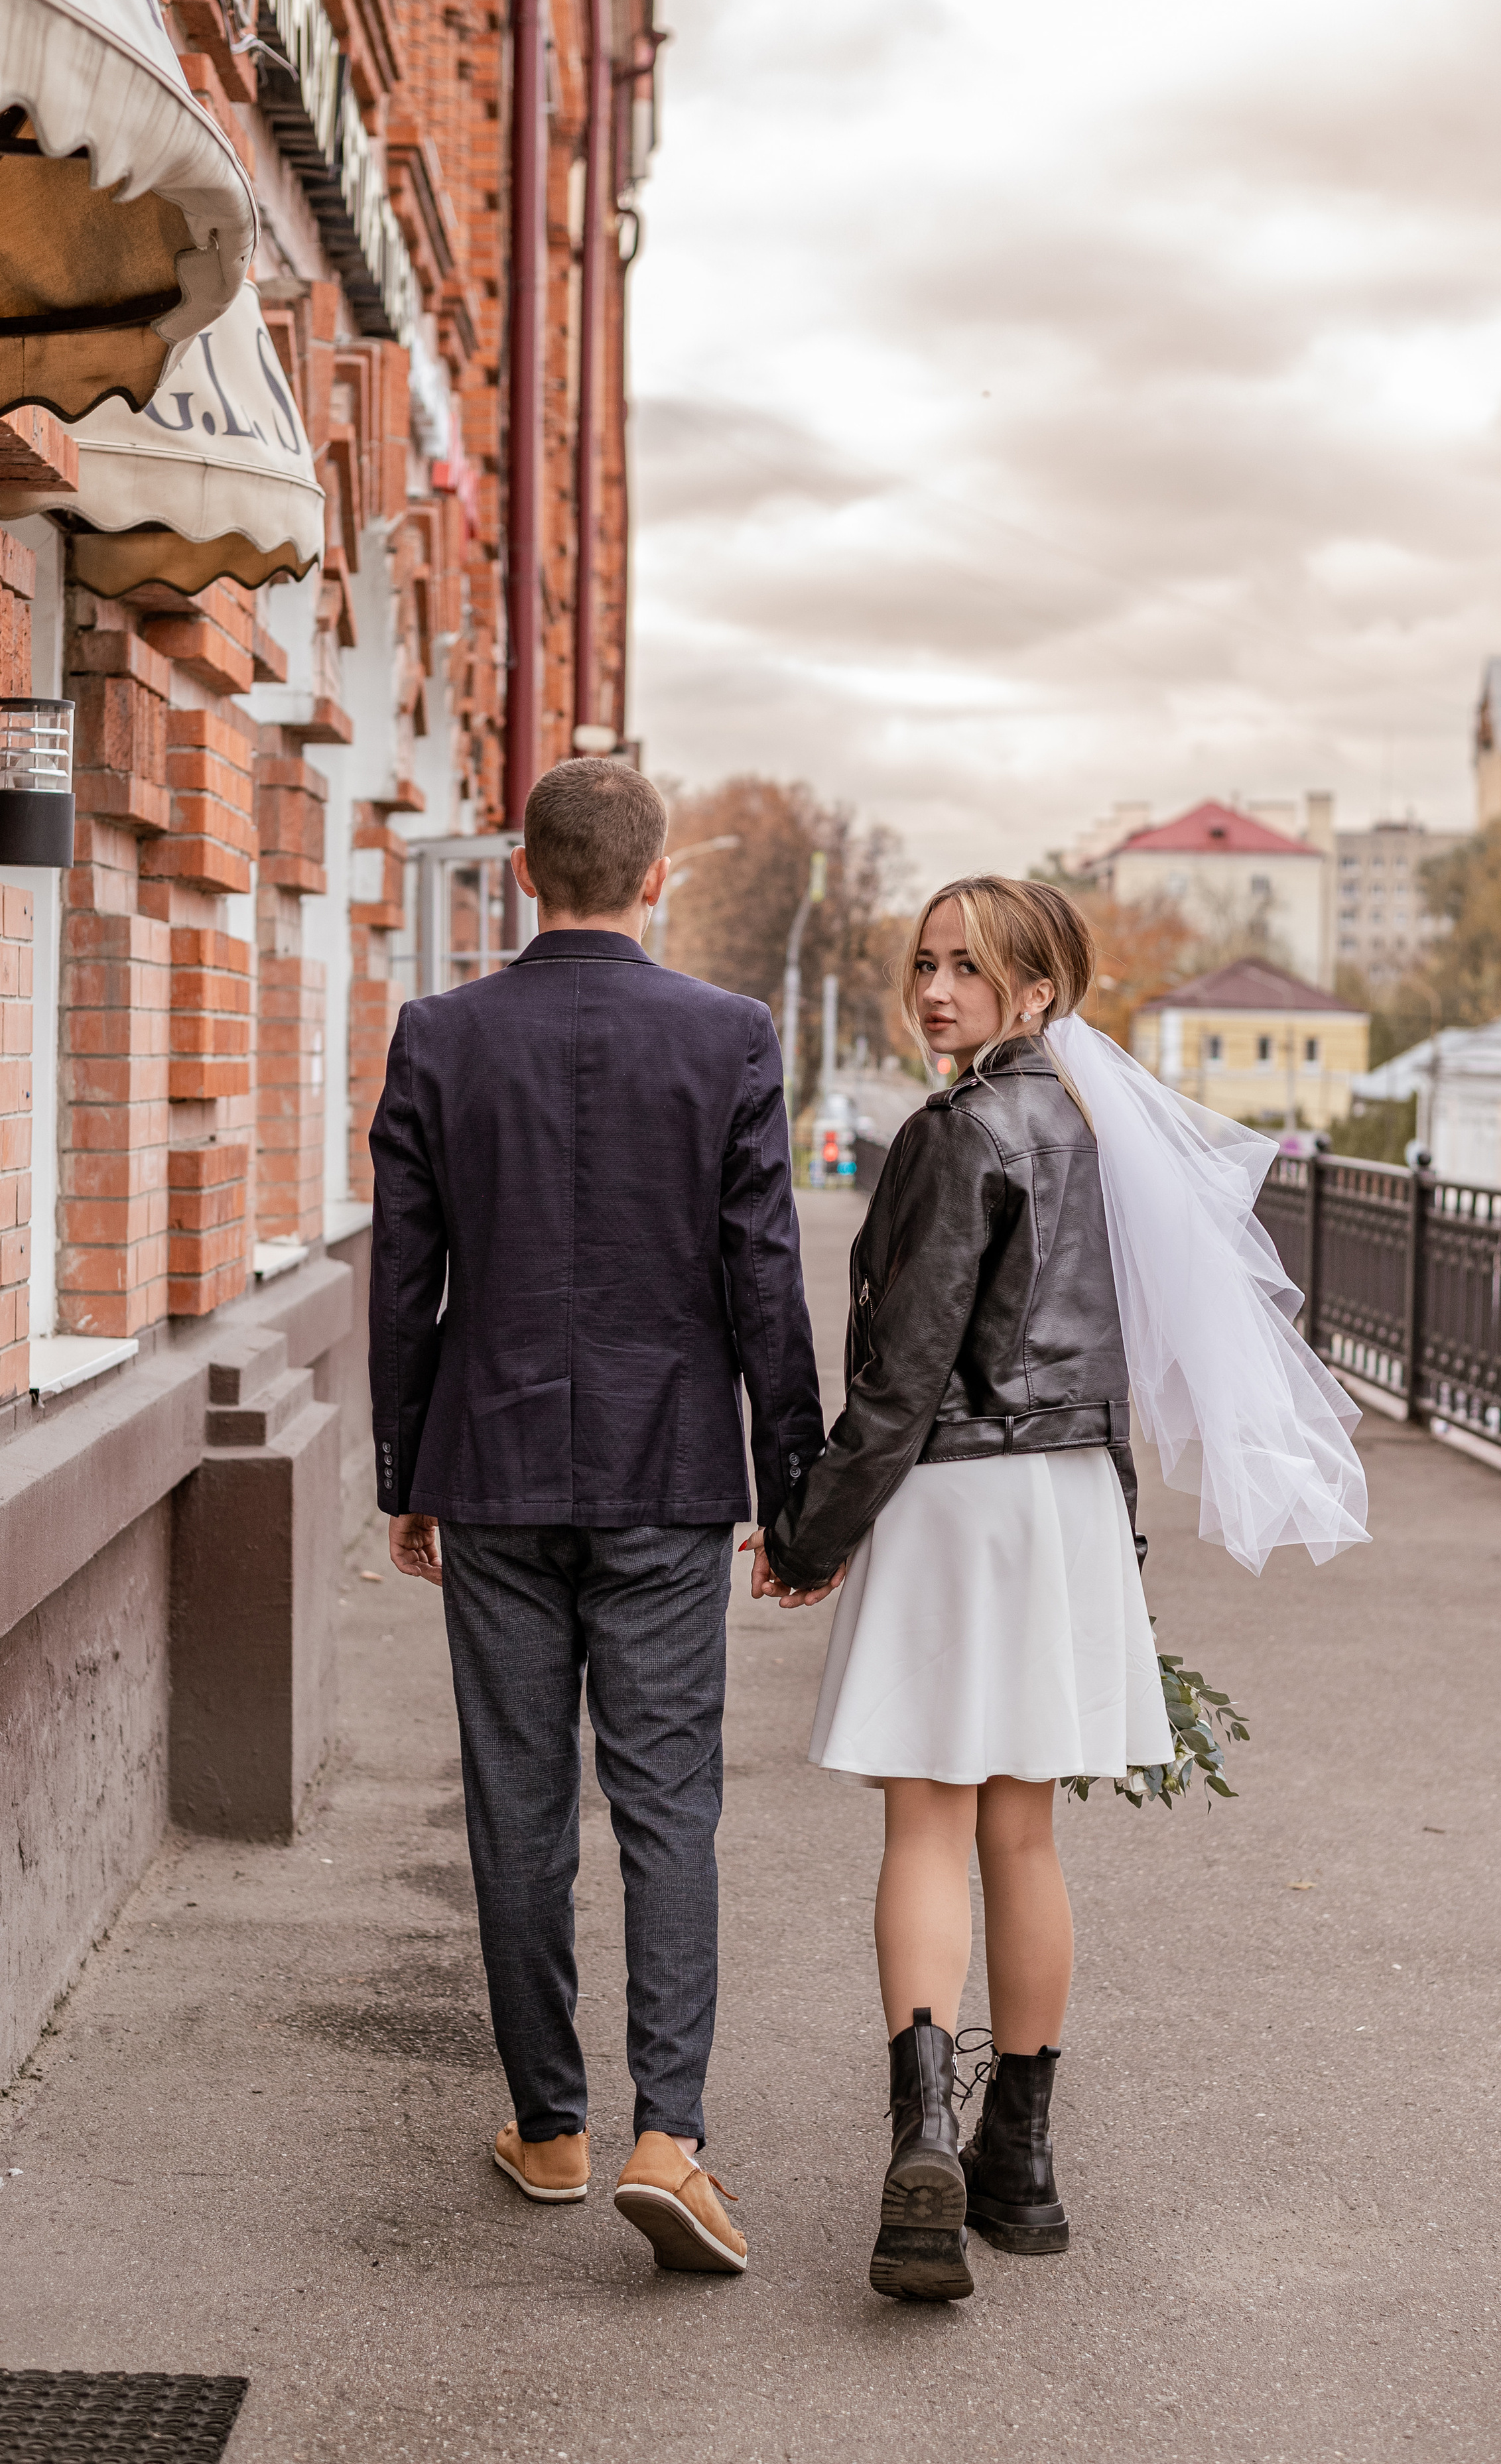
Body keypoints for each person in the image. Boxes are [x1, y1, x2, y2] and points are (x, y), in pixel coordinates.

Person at [751, 875, 1368, 2304]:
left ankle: (922, 2133)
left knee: (925, 1817)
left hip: (956, 1496)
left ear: (1037, 992)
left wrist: (805, 1534)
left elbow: (902, 1375)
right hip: (1072, 1498)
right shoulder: (1106, 1137)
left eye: (969, 969)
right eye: (923, 964)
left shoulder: (955, 1131)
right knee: (1021, 1837)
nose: (934, 991)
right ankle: (1017, 2170)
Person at [369, 756, 825, 2280]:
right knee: (666, 1802)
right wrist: (798, 1492)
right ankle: (668, 2139)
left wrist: (403, 1469)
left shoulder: (439, 1035)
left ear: (519, 874)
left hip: (489, 1471)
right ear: (654, 882)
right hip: (669, 1474)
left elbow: (404, 1280)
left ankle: (550, 2129)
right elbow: (762, 1273)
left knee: (515, 1806)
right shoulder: (728, 1036)